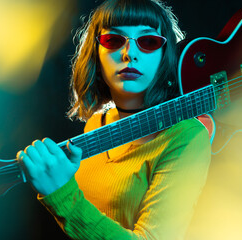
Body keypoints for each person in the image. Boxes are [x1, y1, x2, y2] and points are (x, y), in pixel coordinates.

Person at [17, 0, 211, 239]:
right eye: (113, 40)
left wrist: (61, 194)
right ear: (95, 52)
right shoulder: (96, 124)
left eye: (148, 42)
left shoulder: (187, 136)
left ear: (166, 54)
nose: (129, 54)